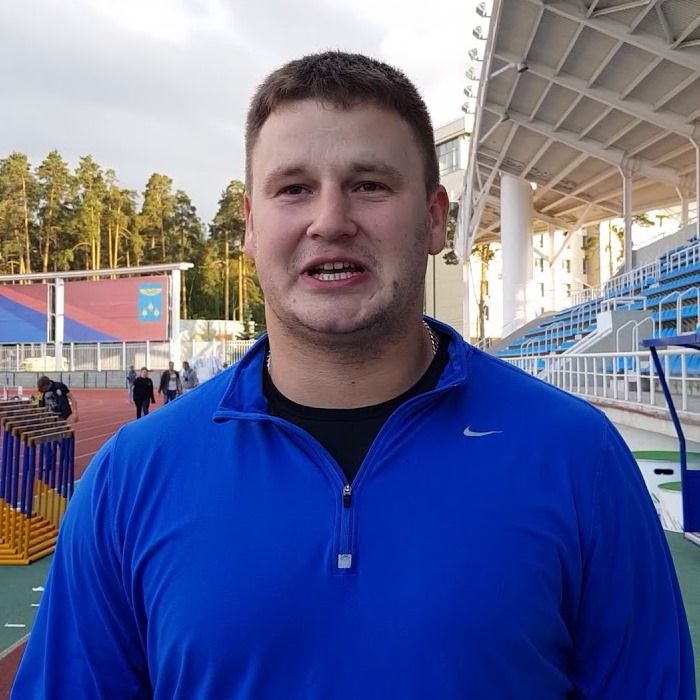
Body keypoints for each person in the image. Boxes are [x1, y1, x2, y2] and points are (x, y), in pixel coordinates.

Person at [12, 51, 694, 700]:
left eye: (369, 185)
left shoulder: (575, 454)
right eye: (294, 189)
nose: (330, 220)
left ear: (434, 219)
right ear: (249, 226)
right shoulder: (133, 475)